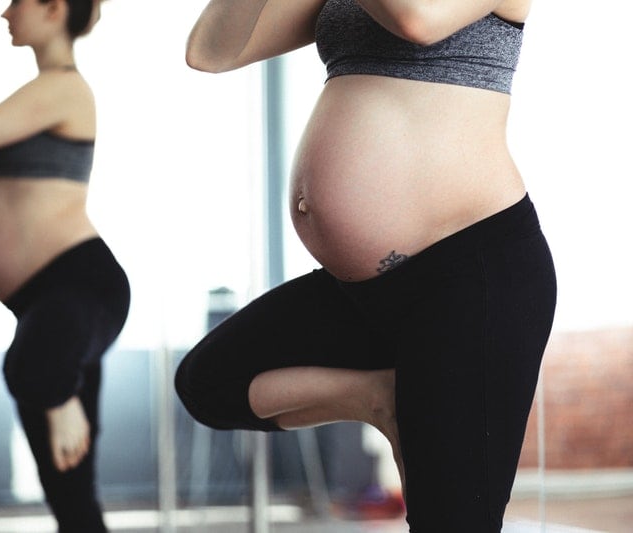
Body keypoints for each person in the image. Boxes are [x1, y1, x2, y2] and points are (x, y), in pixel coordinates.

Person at [174, 0, 556, 531]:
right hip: (363, 292)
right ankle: (379, 398)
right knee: (210, 381)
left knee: (450, 521)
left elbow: (416, 21)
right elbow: (210, 51)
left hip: (468, 275)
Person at [0, 1, 128, 531]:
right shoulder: (39, 96)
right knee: (69, 491)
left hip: (78, 286)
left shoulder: (62, 88)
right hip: (52, 298)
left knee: (32, 372)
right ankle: (55, 389)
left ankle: (58, 391)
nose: (4, 13)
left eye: (17, 1)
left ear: (53, 7)